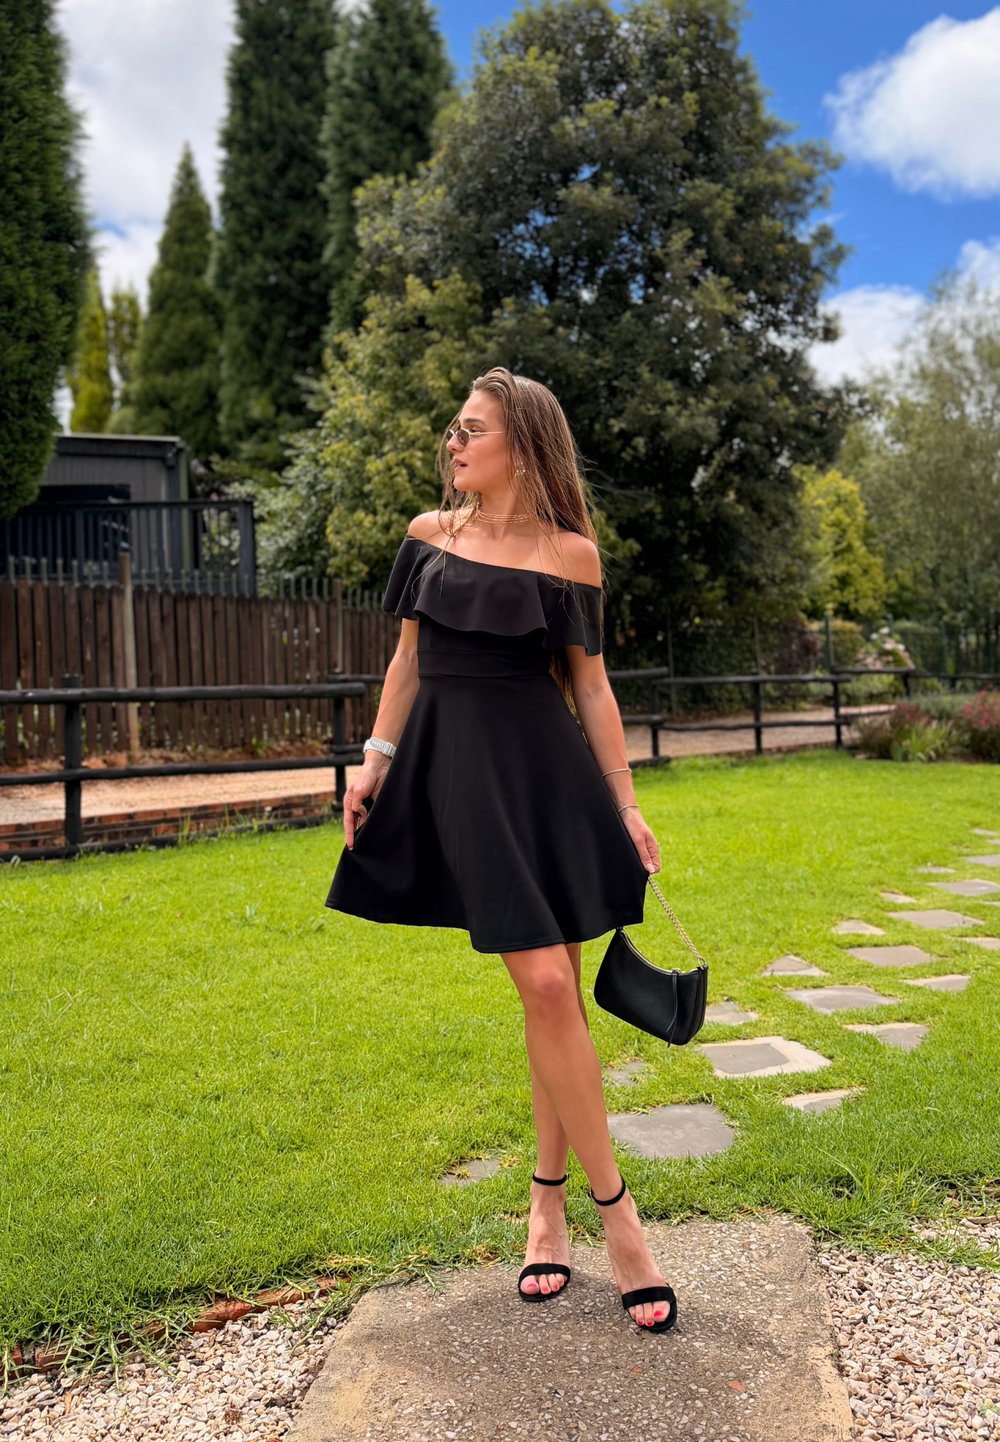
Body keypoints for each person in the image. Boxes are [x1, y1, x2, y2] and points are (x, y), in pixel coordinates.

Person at [326, 367, 676, 1333]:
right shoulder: (428, 537)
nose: (453, 441)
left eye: (471, 429)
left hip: (548, 780)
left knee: (552, 995)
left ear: (521, 444)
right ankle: (622, 1221)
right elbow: (406, 662)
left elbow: (592, 689)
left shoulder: (572, 556)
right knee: (551, 985)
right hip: (459, 779)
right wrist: (373, 760)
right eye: (453, 428)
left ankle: (546, 1205)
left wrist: (626, 805)